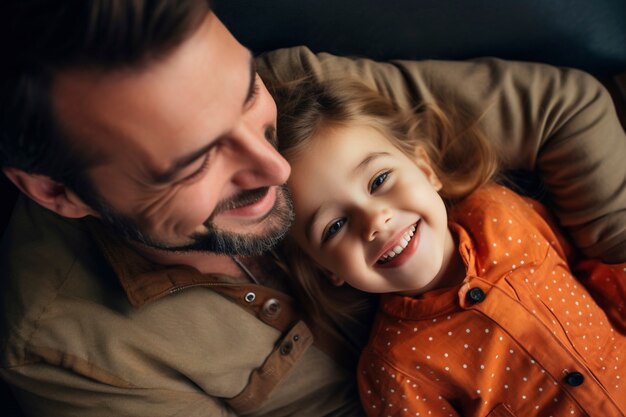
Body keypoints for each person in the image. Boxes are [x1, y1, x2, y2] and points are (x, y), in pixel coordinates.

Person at [0, 0, 625, 416]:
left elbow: (563, 110)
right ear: (59, 193)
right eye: (194, 162)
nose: (277, 169)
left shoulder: (299, 91)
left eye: (246, 94)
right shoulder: (66, 350)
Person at [274, 78, 626, 417]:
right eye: (335, 226)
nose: (375, 220)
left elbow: (586, 273)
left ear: (425, 170)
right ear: (328, 269)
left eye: (379, 180)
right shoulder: (396, 370)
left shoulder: (499, 212)